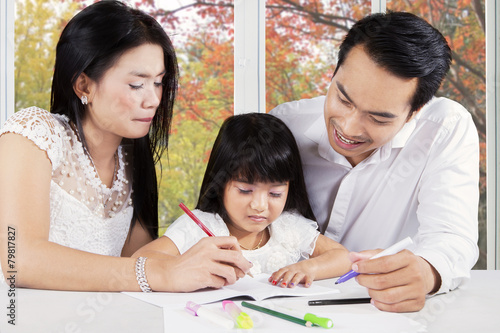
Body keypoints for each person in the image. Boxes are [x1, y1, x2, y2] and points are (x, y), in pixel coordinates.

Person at [0, 0, 251, 292]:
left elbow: (135, 266)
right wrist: (162, 273)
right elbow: (19, 261)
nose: (154, 100)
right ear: (84, 86)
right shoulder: (32, 134)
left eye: (158, 83)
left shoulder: (133, 161)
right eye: (137, 85)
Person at [270, 11, 479, 312]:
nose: (349, 128)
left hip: (376, 312)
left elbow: (451, 237)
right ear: (334, 72)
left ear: (415, 111)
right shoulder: (285, 125)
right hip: (282, 307)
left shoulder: (444, 130)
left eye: (378, 117)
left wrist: (425, 271)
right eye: (343, 99)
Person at [135, 113, 351, 288]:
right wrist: (186, 265)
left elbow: (343, 257)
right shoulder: (200, 227)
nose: (259, 205)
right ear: (220, 183)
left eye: (275, 194)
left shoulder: (288, 227)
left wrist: (309, 269)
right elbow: (141, 259)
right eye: (245, 190)